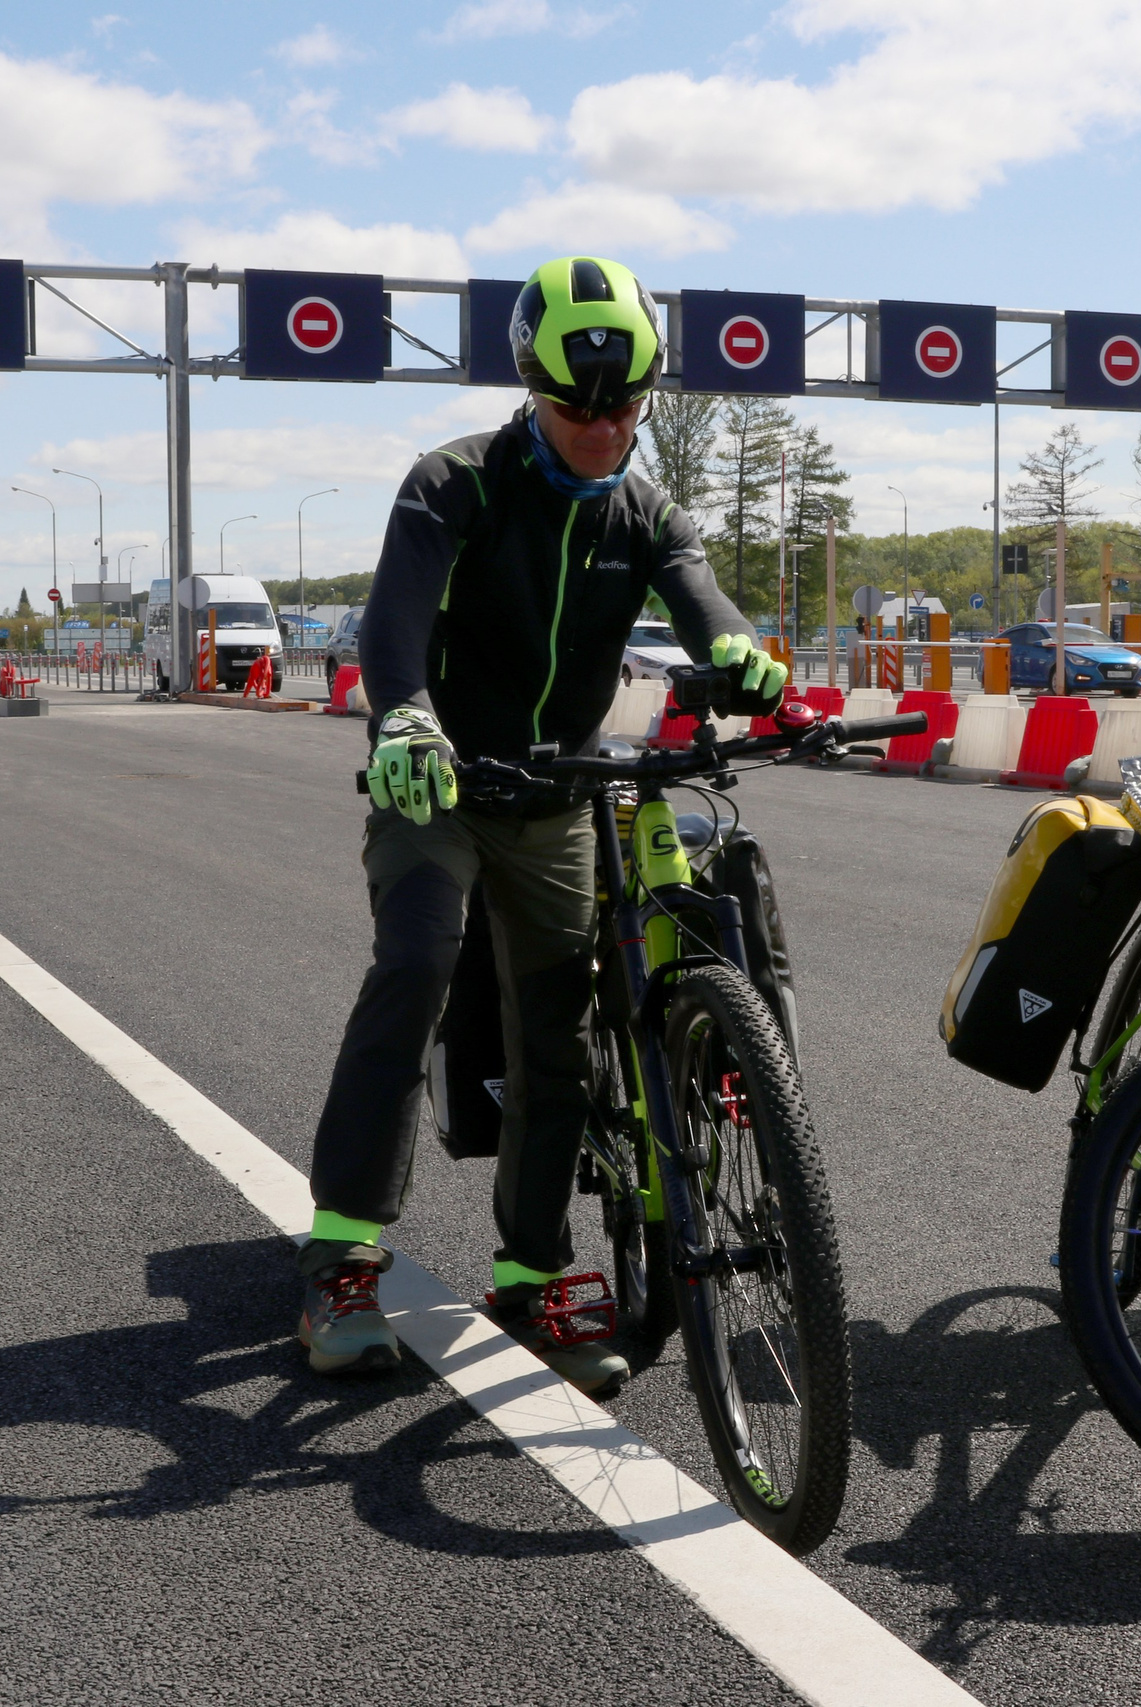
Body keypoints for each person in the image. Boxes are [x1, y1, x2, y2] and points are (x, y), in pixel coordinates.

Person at [296, 256, 788, 1393]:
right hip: (442, 784)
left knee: (557, 1033)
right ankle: (340, 1256)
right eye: (579, 406)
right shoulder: (452, 483)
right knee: (415, 965)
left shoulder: (644, 508)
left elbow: (700, 594)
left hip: (561, 798)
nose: (603, 428)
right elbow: (391, 632)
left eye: (624, 407)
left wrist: (735, 651)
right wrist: (405, 722)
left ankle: (531, 1273)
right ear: (532, 386)